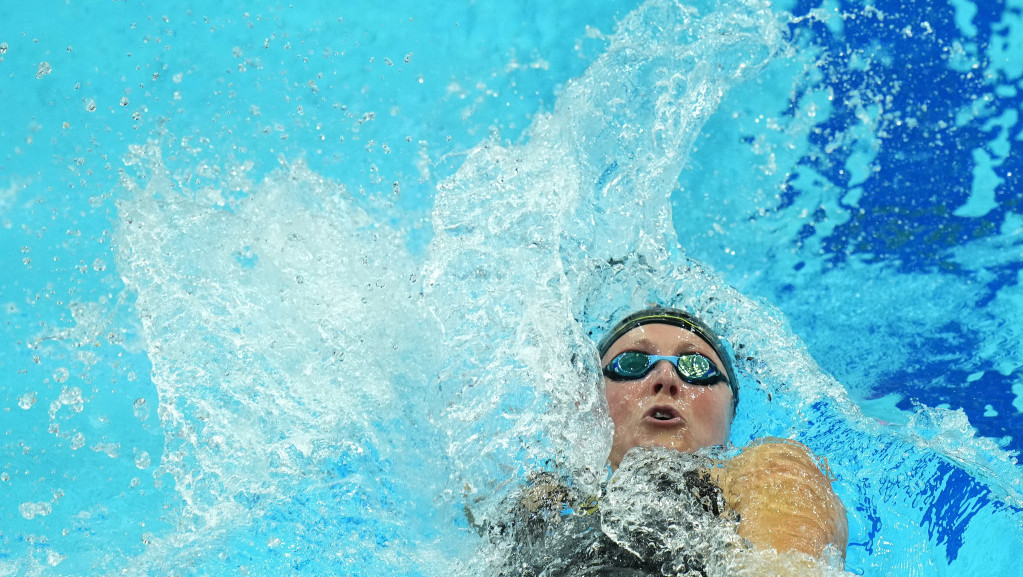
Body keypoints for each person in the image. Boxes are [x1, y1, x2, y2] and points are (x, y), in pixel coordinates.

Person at [491, 306, 848, 576]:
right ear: (590, 402)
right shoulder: (545, 501)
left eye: (697, 367)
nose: (665, 377)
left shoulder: (769, 469)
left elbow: (785, 567)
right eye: (632, 363)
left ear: (730, 410)